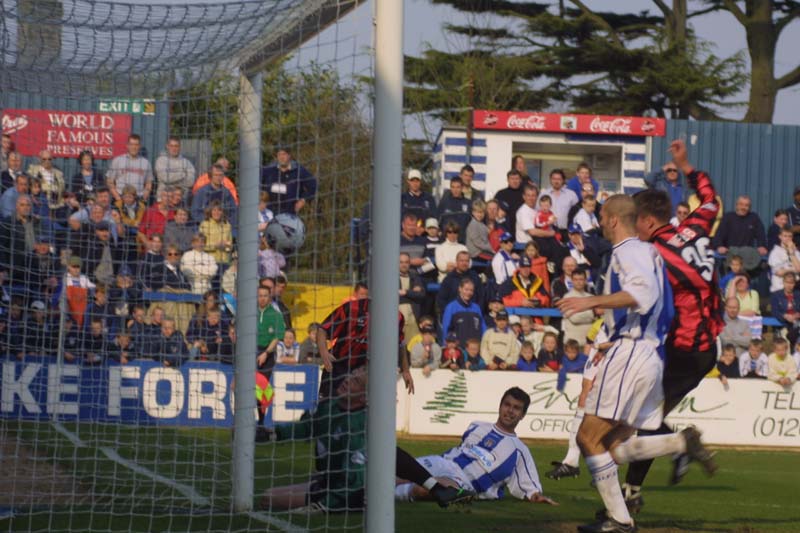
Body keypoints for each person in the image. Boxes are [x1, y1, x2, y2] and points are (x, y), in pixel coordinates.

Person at [558, 193, 715, 533]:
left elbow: (641, 295)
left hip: (632, 353)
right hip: (648, 353)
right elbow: (664, 306)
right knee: (614, 446)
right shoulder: (650, 252)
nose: (600, 221)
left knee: (588, 438)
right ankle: (678, 443)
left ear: (613, 219)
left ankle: (620, 520)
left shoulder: (628, 251)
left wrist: (592, 302)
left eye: (602, 215)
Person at [625, 139, 725, 508]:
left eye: (635, 221)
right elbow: (709, 197)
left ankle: (678, 448)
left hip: (685, 347)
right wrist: (686, 166)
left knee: (645, 418)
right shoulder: (695, 226)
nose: (634, 228)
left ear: (648, 221)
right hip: (703, 347)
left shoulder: (656, 253)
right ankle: (669, 457)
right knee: (646, 417)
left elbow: (642, 298)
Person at [394, 387, 557, 505]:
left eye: (516, 408)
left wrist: (536, 496)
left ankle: (380, 500)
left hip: (464, 482)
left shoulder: (519, 451)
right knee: (399, 473)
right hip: (442, 461)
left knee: (423, 489)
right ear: (500, 406)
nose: (510, 411)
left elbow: (530, 487)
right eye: (507, 405)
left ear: (522, 415)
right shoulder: (477, 426)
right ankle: (371, 493)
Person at [260, 145, 317, 215]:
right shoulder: (268, 170)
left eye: (284, 154)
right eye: (279, 154)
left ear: (289, 155)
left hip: (289, 214)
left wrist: (303, 200)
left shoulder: (299, 170)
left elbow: (313, 185)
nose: (281, 157)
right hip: (269, 213)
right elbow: (256, 184)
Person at [107, 134, 154, 202]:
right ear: (127, 145)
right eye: (131, 144)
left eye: (136, 145)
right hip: (121, 197)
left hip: (138, 198)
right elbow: (110, 181)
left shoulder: (146, 163)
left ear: (139, 146)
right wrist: (118, 198)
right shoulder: (118, 160)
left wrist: (143, 199)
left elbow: (148, 184)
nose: (134, 147)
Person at [441, 278, 486, 348]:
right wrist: (446, 347)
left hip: (474, 350)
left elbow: (483, 328)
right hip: (458, 349)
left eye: (471, 290)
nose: (469, 293)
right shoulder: (451, 307)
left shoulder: (476, 308)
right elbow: (446, 329)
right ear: (460, 289)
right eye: (466, 289)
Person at [256, 285, 286, 378]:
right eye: (260, 296)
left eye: (265, 296)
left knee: (262, 385)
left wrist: (266, 353)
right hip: (250, 352)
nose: (262, 298)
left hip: (267, 353)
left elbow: (277, 337)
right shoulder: (249, 312)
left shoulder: (276, 315)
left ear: (269, 297)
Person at [561, 269, 595, 344]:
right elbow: (575, 318)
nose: (578, 282)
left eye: (581, 279)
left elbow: (598, 317)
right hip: (572, 344)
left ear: (585, 281)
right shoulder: (567, 298)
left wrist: (591, 314)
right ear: (572, 281)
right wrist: (593, 313)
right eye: (576, 279)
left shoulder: (591, 297)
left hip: (589, 343)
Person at [769, 272, 800, 346]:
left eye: (791, 283)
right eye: (787, 282)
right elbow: (774, 311)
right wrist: (784, 316)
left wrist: (797, 315)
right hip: (783, 324)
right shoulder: (776, 295)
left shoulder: (798, 294)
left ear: (794, 283)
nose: (789, 285)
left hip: (797, 323)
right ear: (783, 282)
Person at [437, 176, 471, 241]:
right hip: (446, 241)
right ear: (450, 188)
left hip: (462, 241)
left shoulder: (468, 203)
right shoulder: (444, 203)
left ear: (462, 188)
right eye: (453, 187)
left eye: (458, 187)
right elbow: (438, 222)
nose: (455, 190)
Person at [768, 226, 800, 292]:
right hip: (779, 288)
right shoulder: (775, 252)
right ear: (780, 236)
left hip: (795, 288)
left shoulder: (796, 252)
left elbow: (799, 269)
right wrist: (794, 270)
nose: (787, 238)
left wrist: (791, 253)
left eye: (790, 236)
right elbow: (779, 272)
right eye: (785, 236)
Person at [494, 169, 525, 237]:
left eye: (517, 178)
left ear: (520, 180)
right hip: (504, 230)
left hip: (522, 230)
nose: (514, 181)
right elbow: (494, 213)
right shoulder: (500, 194)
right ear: (508, 180)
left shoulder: (525, 194)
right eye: (512, 179)